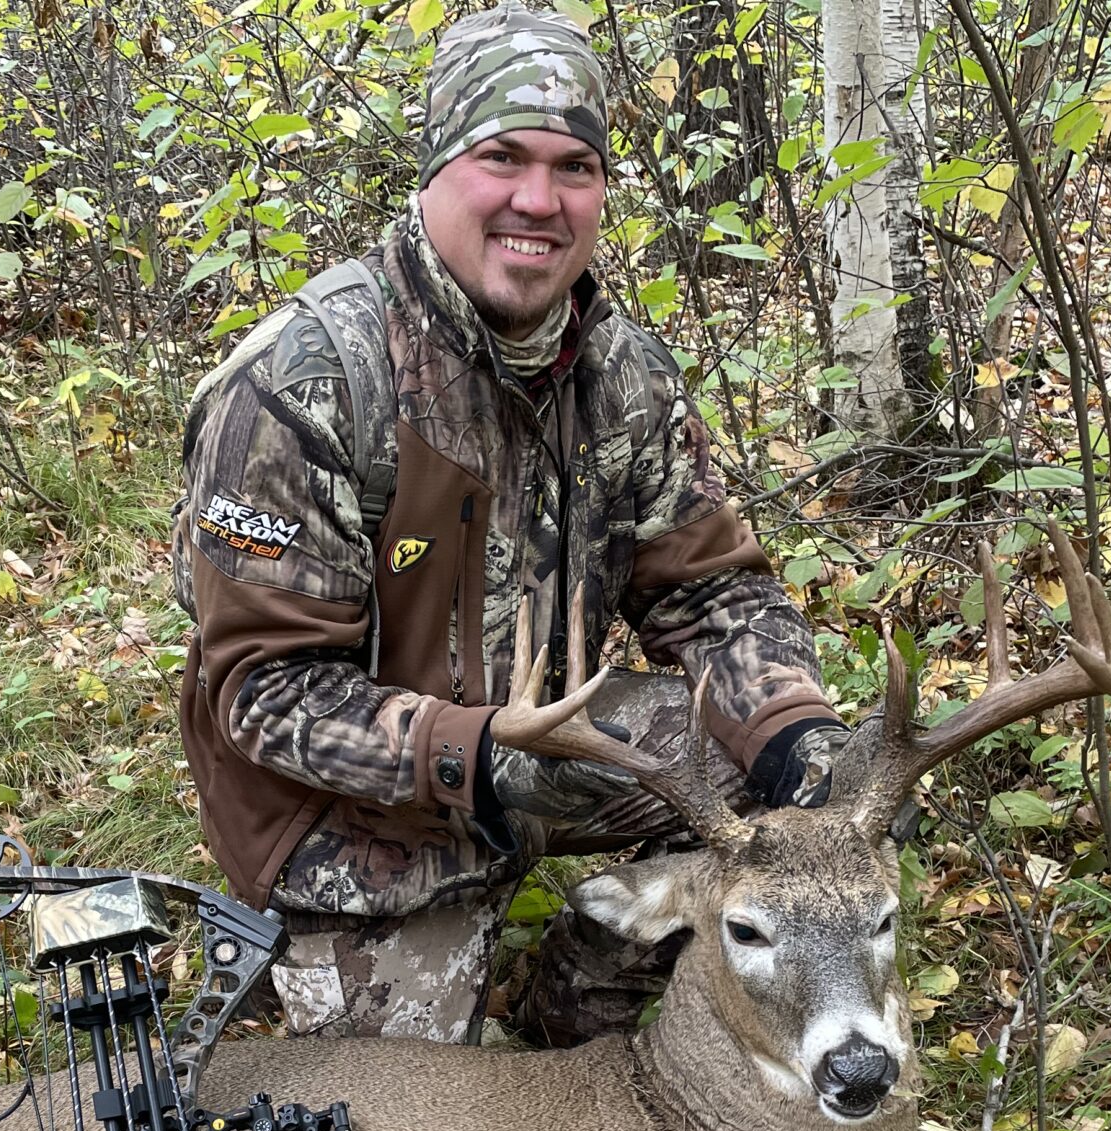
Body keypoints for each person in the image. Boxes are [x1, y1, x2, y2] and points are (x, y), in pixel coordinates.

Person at [174, 3, 845, 1045]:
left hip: (547, 743)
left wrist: (797, 737)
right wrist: (470, 754)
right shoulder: (304, 381)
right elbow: (261, 693)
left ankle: (581, 997)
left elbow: (714, 592)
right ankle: (311, 964)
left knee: (787, 810)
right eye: (502, 157)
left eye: (574, 166)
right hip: (350, 826)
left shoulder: (620, 371)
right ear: (437, 167)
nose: (539, 200)